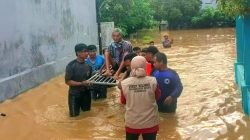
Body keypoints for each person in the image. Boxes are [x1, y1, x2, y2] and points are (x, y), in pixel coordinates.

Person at [120, 56, 161, 140]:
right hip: (150, 122)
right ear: (145, 66)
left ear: (131, 66)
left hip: (132, 122)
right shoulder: (153, 81)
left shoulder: (124, 83)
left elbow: (123, 101)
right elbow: (157, 97)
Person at [65, 43, 92, 117]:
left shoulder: (88, 66)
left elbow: (89, 79)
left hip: (86, 94)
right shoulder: (71, 66)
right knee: (74, 118)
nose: (87, 53)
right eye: (84, 51)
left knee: (87, 115)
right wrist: (81, 83)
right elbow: (67, 81)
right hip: (74, 94)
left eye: (87, 51)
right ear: (78, 53)